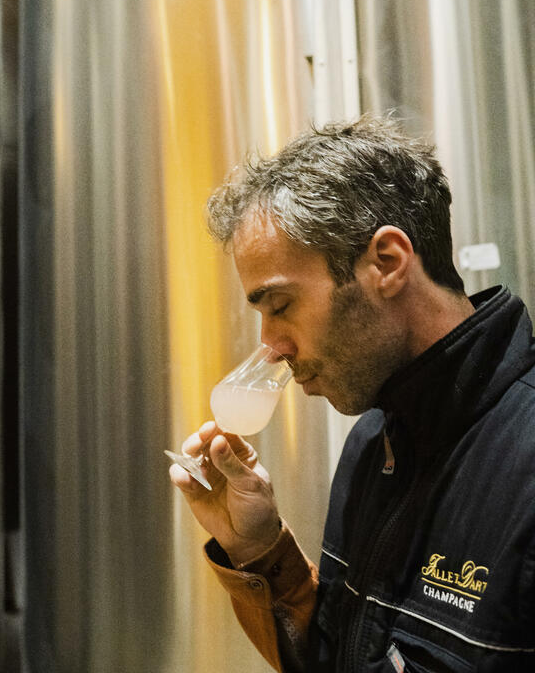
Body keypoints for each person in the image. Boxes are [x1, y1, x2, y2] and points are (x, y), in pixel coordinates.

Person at [168, 114, 535, 672]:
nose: (271, 346)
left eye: (280, 305)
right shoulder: (373, 441)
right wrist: (259, 550)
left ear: (386, 263)